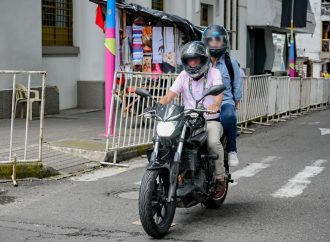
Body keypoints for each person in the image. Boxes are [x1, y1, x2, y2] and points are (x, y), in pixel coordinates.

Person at [159, 41, 227, 200]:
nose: (192, 63)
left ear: (203, 60)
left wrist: (216, 104)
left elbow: (218, 92)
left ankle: (220, 179)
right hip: (188, 121)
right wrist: (158, 105)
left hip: (210, 120)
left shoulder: (214, 73)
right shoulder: (183, 76)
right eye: (189, 60)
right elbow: (170, 95)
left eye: (196, 59)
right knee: (169, 140)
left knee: (213, 143)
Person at [202, 25, 242, 167]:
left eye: (218, 39)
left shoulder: (230, 63)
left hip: (225, 101)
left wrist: (236, 101)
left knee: (229, 117)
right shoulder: (200, 62)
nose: (214, 43)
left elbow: (237, 83)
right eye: (211, 40)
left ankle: (232, 150)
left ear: (224, 41)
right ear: (206, 41)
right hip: (203, 103)